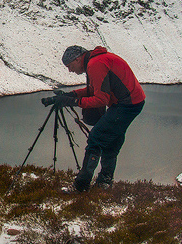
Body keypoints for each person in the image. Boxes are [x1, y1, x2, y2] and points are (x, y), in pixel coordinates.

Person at [55, 44, 146, 191]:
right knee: (112, 140)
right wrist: (71, 95)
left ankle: (81, 186)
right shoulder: (97, 60)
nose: (70, 70)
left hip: (126, 105)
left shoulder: (95, 64)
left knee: (95, 139)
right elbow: (96, 89)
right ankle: (104, 182)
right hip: (132, 103)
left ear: (78, 60)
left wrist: (73, 102)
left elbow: (101, 99)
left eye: (70, 65)